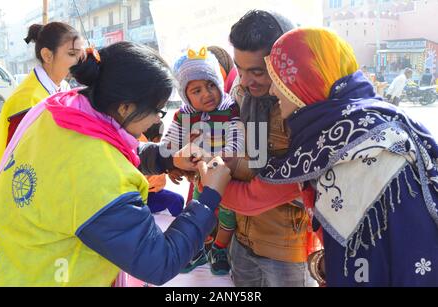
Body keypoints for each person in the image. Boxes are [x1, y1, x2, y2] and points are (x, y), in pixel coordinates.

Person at [0, 42, 231, 286]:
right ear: (125, 107)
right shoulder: (101, 177)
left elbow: (107, 151)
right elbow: (158, 261)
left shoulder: (58, 110)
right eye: (157, 110)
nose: (158, 118)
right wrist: (207, 199)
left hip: (9, 262)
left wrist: (166, 158)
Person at [262, 27, 438, 286]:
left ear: (308, 79)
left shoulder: (365, 151)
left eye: (278, 79)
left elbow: (389, 257)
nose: (271, 92)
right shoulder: (337, 133)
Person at [220, 10, 315, 287]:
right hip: (242, 240)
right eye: (240, 69)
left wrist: (221, 178)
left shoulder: (304, 112)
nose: (247, 81)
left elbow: (300, 188)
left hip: (286, 250)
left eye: (258, 71)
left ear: (284, 64)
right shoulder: (242, 98)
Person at [162, 47, 244, 275]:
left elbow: (238, 138)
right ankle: (199, 249)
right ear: (186, 95)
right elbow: (169, 142)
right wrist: (171, 163)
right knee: (198, 211)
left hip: (225, 177)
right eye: (196, 90)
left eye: (210, 85)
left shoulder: (229, 110)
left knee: (228, 214)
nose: (206, 94)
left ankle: (219, 249)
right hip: (200, 178)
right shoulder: (184, 115)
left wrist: (220, 163)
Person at [0, 22, 84, 187]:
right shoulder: (27, 99)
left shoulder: (63, 87)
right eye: (71, 54)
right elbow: (22, 160)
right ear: (47, 55)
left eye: (80, 55)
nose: (78, 61)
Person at [140, 121, 184, 217]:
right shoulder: (147, 152)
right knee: (175, 201)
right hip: (142, 198)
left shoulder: (141, 147)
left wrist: (168, 169)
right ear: (156, 139)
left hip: (152, 192)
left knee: (179, 199)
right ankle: (180, 223)